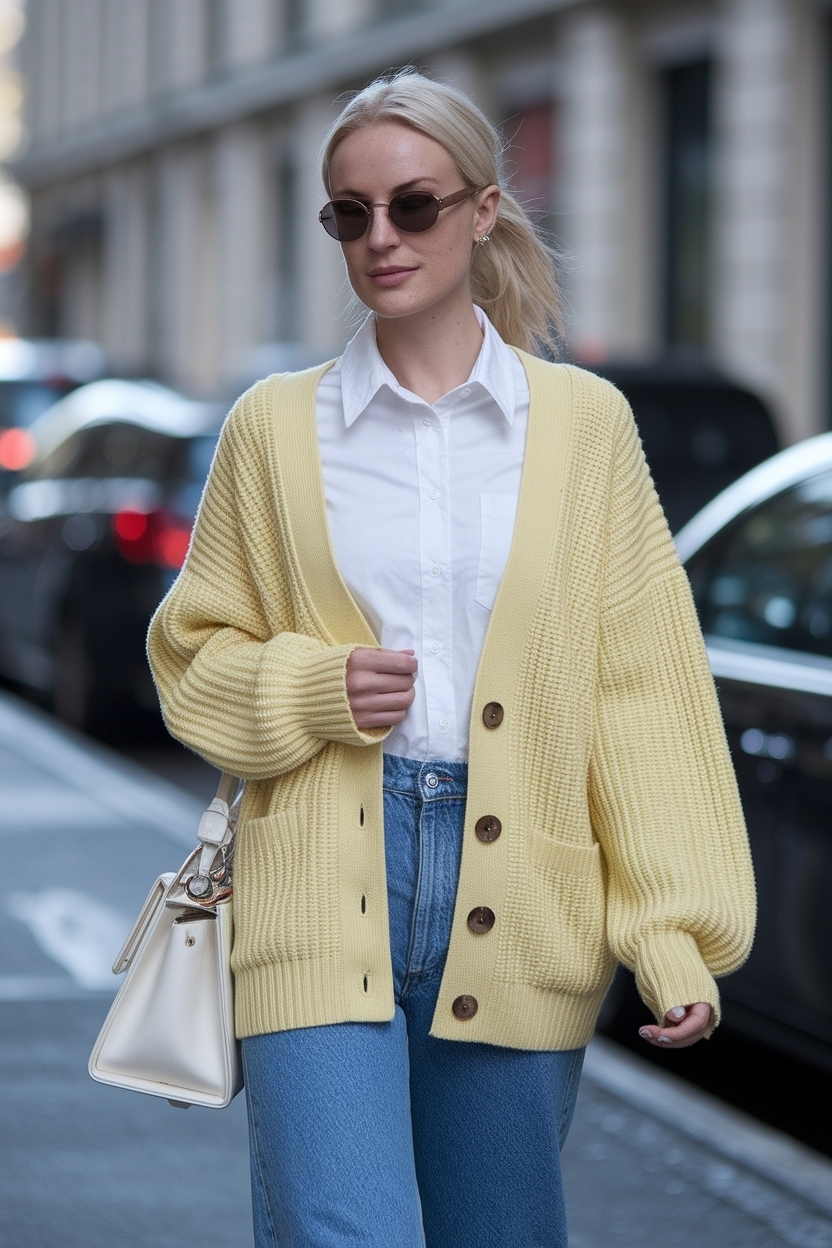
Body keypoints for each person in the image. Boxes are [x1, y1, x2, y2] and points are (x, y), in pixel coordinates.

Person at [147, 69, 755, 1248]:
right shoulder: (272, 429)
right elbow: (190, 656)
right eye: (348, 214)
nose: (380, 238)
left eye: (413, 205)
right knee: (344, 1233)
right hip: (318, 874)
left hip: (525, 893)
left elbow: (641, 693)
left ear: (481, 210)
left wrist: (672, 927)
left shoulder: (584, 428)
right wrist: (312, 688)